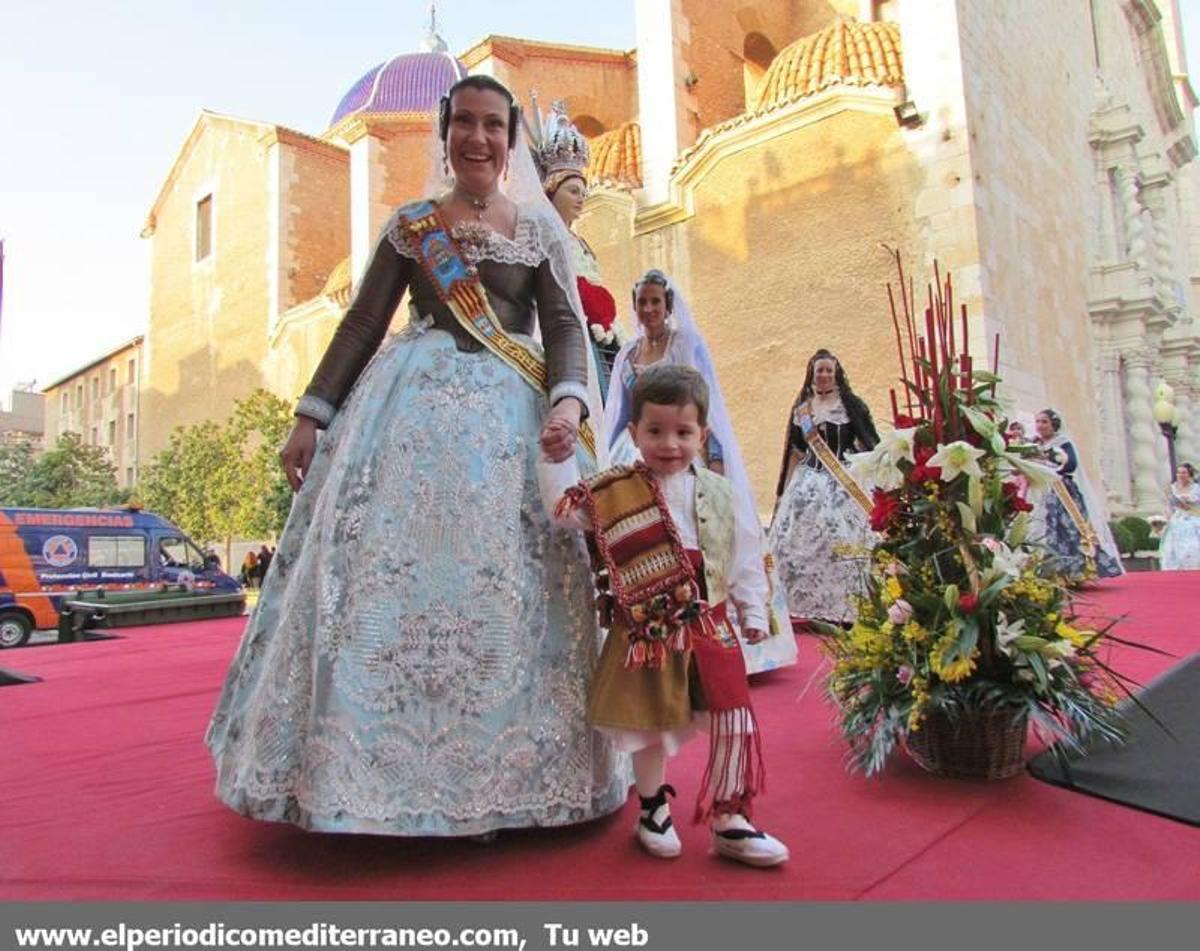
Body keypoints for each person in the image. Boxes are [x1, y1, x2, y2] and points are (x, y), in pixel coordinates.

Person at [205, 75, 626, 837]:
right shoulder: (412, 225)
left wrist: (567, 400)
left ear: (510, 140)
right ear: (445, 132)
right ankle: (373, 777)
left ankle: (512, 779)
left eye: (493, 126)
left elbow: (564, 326)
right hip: (408, 416)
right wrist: (312, 414)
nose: (478, 138)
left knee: (513, 588)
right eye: (463, 123)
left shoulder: (537, 230)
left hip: (512, 428)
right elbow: (363, 325)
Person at [539, 364, 789, 867]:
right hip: (646, 629)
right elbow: (565, 513)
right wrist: (554, 462)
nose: (669, 443)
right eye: (655, 431)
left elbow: (742, 550)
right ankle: (653, 809)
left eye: (683, 432)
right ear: (634, 433)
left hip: (710, 623)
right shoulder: (614, 490)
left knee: (732, 718)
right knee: (647, 726)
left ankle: (730, 816)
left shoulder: (721, 492)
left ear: (703, 433)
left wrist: (752, 607)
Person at [604, 269, 798, 674]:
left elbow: (704, 403)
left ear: (668, 304)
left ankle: (732, 625)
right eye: (642, 301)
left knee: (710, 534)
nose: (648, 309)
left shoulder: (686, 344)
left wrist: (713, 461)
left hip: (685, 450)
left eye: (656, 301)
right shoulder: (626, 354)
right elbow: (621, 412)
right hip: (637, 451)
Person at [768, 349, 879, 625]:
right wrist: (783, 493)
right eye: (820, 370)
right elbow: (795, 451)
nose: (825, 375)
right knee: (799, 541)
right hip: (808, 484)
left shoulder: (851, 405)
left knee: (843, 541)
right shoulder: (802, 410)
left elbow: (869, 443)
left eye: (829, 370)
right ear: (812, 374)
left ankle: (847, 607)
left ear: (837, 373)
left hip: (844, 483)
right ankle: (798, 605)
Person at [530, 99, 623, 400]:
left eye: (583, 193)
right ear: (552, 191)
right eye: (572, 191)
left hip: (598, 337)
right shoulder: (539, 236)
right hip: (558, 329)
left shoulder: (582, 244)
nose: (580, 199)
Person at [1032, 408, 1123, 580]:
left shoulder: (1062, 443)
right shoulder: (1033, 443)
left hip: (1060, 491)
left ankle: (1073, 572)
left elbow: (1071, 464)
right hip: (1037, 490)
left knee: (1066, 528)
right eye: (1038, 421)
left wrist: (1049, 459)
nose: (1040, 425)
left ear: (1054, 425)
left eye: (1044, 422)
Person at [1161, 462, 1200, 570]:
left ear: (1189, 475)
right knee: (1172, 547)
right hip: (1176, 520)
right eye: (1178, 473)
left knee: (1193, 546)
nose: (1180, 475)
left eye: (1184, 473)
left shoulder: (1196, 488)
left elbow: (1192, 506)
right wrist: (1165, 519)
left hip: (1193, 519)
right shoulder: (1172, 488)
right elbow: (1168, 506)